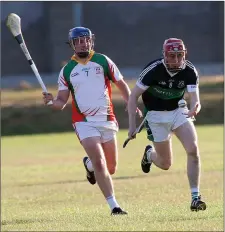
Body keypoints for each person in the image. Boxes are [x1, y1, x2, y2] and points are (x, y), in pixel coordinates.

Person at [43, 26, 142, 215]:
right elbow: (61, 102)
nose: (82, 43)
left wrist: (131, 104)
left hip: (107, 119)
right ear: (72, 44)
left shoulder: (103, 61)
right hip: (84, 122)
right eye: (78, 41)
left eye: (85, 40)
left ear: (91, 41)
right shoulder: (67, 71)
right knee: (100, 163)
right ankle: (114, 206)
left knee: (110, 168)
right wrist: (51, 102)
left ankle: (88, 165)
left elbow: (121, 84)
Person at [127, 38, 207, 212]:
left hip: (179, 112)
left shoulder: (190, 71)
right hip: (155, 115)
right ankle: (150, 155)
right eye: (173, 56)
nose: (177, 60)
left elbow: (196, 100)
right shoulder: (153, 70)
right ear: (165, 55)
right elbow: (133, 97)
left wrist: (195, 109)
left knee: (193, 149)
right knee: (165, 164)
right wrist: (132, 126)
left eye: (180, 55)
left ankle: (195, 197)